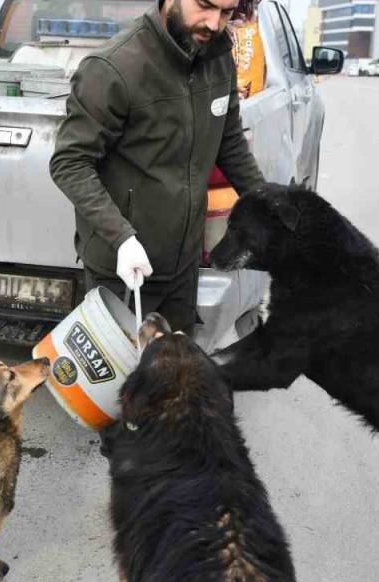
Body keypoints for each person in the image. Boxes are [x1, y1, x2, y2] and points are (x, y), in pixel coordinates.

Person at [50, 0, 264, 335]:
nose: (214, 23)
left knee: (178, 366)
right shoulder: (115, 67)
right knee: (123, 369)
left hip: (183, 268)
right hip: (124, 273)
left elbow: (229, 141)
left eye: (225, 12)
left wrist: (267, 205)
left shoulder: (218, 56)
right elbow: (70, 163)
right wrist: (122, 239)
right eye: (205, 5)